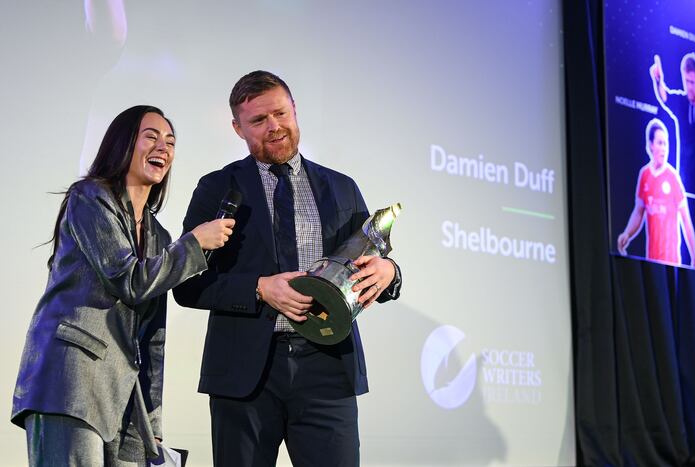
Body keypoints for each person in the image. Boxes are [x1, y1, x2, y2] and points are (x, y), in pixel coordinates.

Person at [173, 71, 402, 466]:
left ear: (295, 110)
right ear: (237, 128)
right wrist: (260, 288)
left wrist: (389, 272)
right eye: (258, 121)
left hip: (328, 370)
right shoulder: (215, 188)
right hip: (245, 376)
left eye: (280, 113)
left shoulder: (342, 187)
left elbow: (371, 260)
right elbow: (187, 285)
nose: (274, 126)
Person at [11, 106, 234, 465]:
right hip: (71, 383)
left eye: (170, 141)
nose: (163, 146)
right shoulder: (90, 198)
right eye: (151, 136)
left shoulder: (160, 235)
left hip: (127, 402)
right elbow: (128, 280)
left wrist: (154, 424)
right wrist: (194, 244)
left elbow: (153, 336)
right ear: (123, 144)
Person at [617, 118, 695, 268]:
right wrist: (627, 234)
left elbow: (686, 221)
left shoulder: (673, 177)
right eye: (660, 143)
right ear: (651, 145)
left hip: (672, 263)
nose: (663, 148)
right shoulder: (644, 175)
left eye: (665, 144)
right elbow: (638, 212)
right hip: (651, 261)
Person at [650, 53, 695, 201]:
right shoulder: (681, 102)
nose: (689, 87)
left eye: (692, 82)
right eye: (686, 81)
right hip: (684, 181)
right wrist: (658, 80)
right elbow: (664, 97)